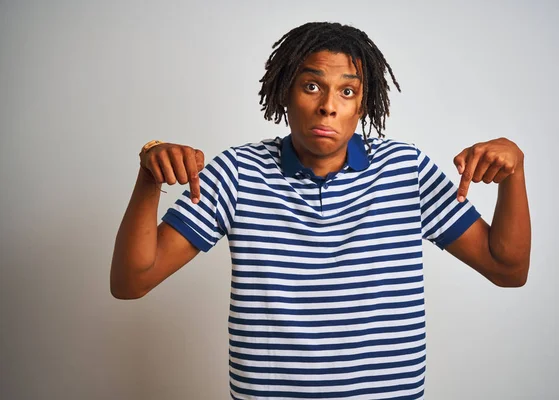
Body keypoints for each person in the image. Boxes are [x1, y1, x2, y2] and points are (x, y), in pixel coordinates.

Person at [111, 22, 531, 400]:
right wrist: (149, 176)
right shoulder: (237, 172)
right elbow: (132, 282)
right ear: (284, 93)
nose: (329, 105)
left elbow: (507, 270)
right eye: (311, 86)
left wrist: (515, 172)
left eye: (347, 91)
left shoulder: (406, 171)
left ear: (362, 106)